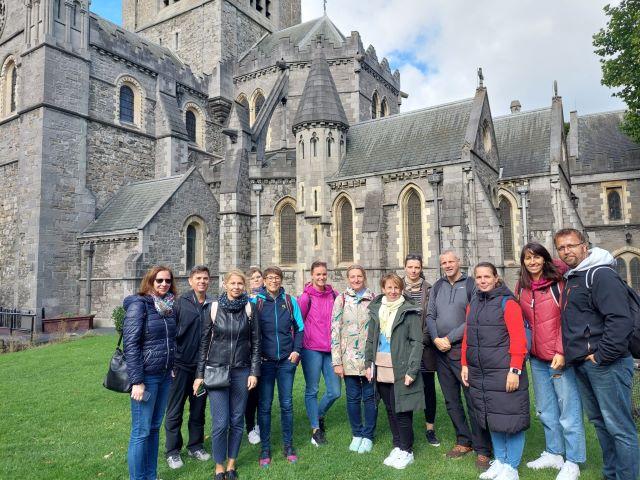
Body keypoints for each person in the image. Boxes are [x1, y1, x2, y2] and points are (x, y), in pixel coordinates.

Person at [554, 228, 639, 480]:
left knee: (620, 428)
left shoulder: (600, 274)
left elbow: (620, 320)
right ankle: (611, 474)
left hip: (607, 364)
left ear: (584, 246)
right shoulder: (574, 277)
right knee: (601, 424)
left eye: (571, 245)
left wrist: (602, 356)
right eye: (561, 248)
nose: (566, 251)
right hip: (585, 364)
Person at [516, 243, 586, 480]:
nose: (532, 262)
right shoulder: (523, 286)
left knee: (568, 410)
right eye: (528, 258)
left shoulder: (559, 283)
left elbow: (569, 318)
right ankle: (554, 453)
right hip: (537, 358)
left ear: (545, 259)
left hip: (559, 357)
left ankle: (573, 461)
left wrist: (561, 351)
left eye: (536, 257)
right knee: (545, 409)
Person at [461, 262, 529, 480]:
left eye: (487, 277)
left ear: (496, 277)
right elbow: (467, 336)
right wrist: (464, 364)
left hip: (504, 371)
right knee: (492, 418)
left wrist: (515, 370)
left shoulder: (508, 303)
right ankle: (500, 461)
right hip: (481, 373)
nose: (483, 281)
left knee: (511, 419)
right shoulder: (473, 302)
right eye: (479, 277)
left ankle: (512, 467)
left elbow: (518, 339)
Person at [426, 250, 492, 470]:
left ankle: (483, 448)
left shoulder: (471, 284)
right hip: (441, 352)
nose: (447, 265)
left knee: (473, 399)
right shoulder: (437, 286)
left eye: (451, 261)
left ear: (459, 262)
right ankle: (463, 441)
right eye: (444, 262)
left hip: (463, 351)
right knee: (451, 400)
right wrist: (436, 338)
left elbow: (473, 317)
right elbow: (430, 315)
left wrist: (449, 338)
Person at [194, 270, 261, 480]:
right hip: (217, 370)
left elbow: (256, 342)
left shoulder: (250, 308)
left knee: (237, 420)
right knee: (221, 423)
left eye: (240, 283)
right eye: (232, 283)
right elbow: (204, 343)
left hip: (242, 371)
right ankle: (219, 465)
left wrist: (254, 371)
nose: (236, 287)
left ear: (244, 286)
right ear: (225, 284)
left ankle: (231, 464)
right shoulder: (213, 308)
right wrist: (199, 374)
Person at [365, 273, 425, 470]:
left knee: (402, 410)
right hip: (381, 366)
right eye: (389, 287)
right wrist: (368, 363)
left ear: (401, 289)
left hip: (401, 368)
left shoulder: (409, 312)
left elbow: (417, 342)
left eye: (396, 288)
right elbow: (371, 340)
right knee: (390, 409)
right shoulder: (376, 310)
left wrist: (412, 370)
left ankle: (407, 450)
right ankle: (398, 446)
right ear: (383, 288)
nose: (392, 291)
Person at [123, 265, 178, 480]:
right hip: (146, 377)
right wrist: (137, 381)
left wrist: (170, 366)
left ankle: (151, 476)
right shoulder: (139, 305)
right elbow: (131, 345)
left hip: (164, 376)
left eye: (167, 280)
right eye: (159, 280)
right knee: (141, 431)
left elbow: (169, 340)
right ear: (150, 281)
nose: (164, 284)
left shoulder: (168, 306)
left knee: (154, 428)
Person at [251, 266, 304, 467]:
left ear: (281, 280)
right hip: (265, 363)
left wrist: (296, 350)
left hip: (286, 362)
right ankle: (265, 448)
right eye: (270, 278)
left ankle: (288, 445)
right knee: (264, 406)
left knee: (287, 404)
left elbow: (300, 328)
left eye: (277, 278)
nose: (274, 281)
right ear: (264, 281)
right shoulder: (256, 302)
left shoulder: (289, 301)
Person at [165, 265, 212, 469]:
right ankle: (172, 451)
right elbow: (169, 334)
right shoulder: (180, 303)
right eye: (198, 278)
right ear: (191, 281)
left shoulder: (212, 304)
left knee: (198, 409)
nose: (202, 281)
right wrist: (171, 362)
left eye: (205, 278)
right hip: (180, 366)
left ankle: (195, 446)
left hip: (202, 369)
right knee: (175, 410)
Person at [331, 264, 377, 454]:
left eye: (359, 276)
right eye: (352, 277)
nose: (356, 280)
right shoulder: (341, 299)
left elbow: (378, 329)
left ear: (364, 277)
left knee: (370, 398)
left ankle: (368, 435)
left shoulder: (374, 298)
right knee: (352, 398)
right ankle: (357, 433)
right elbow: (335, 330)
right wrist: (337, 361)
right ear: (348, 279)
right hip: (348, 358)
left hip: (368, 358)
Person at [299, 260, 341, 446]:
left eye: (324, 274)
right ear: (312, 275)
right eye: (318, 274)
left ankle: (318, 414)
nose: (322, 277)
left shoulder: (334, 295)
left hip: (331, 350)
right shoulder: (305, 297)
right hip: (311, 350)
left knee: (335, 391)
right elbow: (298, 323)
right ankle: (316, 429)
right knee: (312, 390)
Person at [402, 253, 439, 447]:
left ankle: (430, 429)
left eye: (417, 267)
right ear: (405, 267)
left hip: (425, 348)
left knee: (428, 389)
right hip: (404, 348)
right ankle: (405, 429)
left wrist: (421, 340)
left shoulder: (430, 289)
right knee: (405, 387)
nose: (414, 271)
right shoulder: (397, 287)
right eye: (410, 267)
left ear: (421, 268)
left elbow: (432, 316)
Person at [245, 266, 264, 445]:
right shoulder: (244, 300)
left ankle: (259, 424)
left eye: (259, 277)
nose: (256, 280)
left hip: (264, 352)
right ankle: (250, 427)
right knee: (250, 393)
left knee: (262, 394)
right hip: (247, 353)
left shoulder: (267, 298)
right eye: (253, 278)